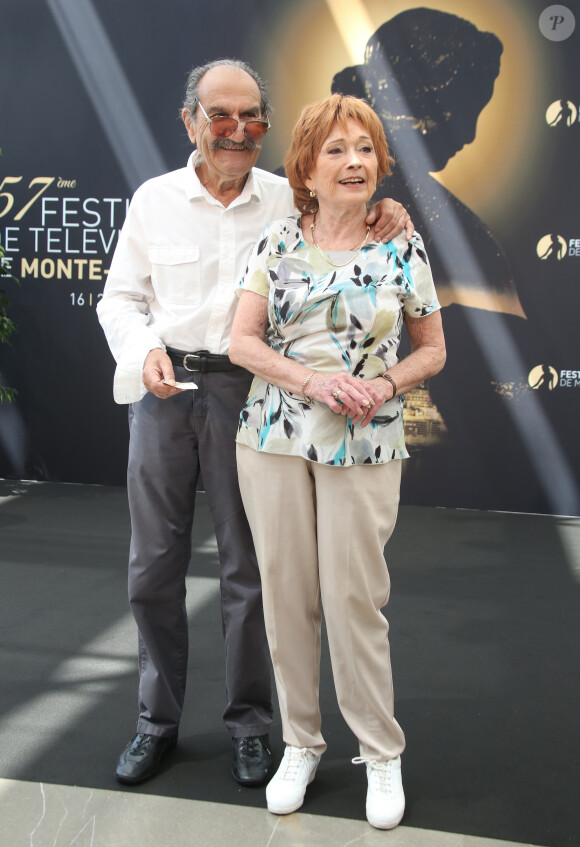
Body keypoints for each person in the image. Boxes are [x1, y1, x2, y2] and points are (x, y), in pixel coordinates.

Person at [97, 59, 413, 788]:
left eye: (252, 119)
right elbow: (119, 298)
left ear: (267, 127)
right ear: (190, 121)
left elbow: (352, 217)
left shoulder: (286, 199)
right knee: (152, 567)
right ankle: (155, 721)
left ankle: (254, 727)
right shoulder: (154, 200)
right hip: (165, 386)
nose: (238, 132)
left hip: (253, 393)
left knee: (250, 570)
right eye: (221, 117)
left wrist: (389, 213)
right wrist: (143, 350)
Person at [229, 94, 445, 828]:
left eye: (364, 149)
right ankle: (301, 741)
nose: (354, 161)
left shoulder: (402, 244)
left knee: (356, 600)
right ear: (307, 169)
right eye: (335, 150)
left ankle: (380, 753)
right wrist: (313, 380)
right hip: (274, 436)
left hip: (366, 439)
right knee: (286, 597)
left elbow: (434, 349)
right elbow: (242, 343)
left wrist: (382, 384)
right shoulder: (275, 241)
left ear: (380, 163)